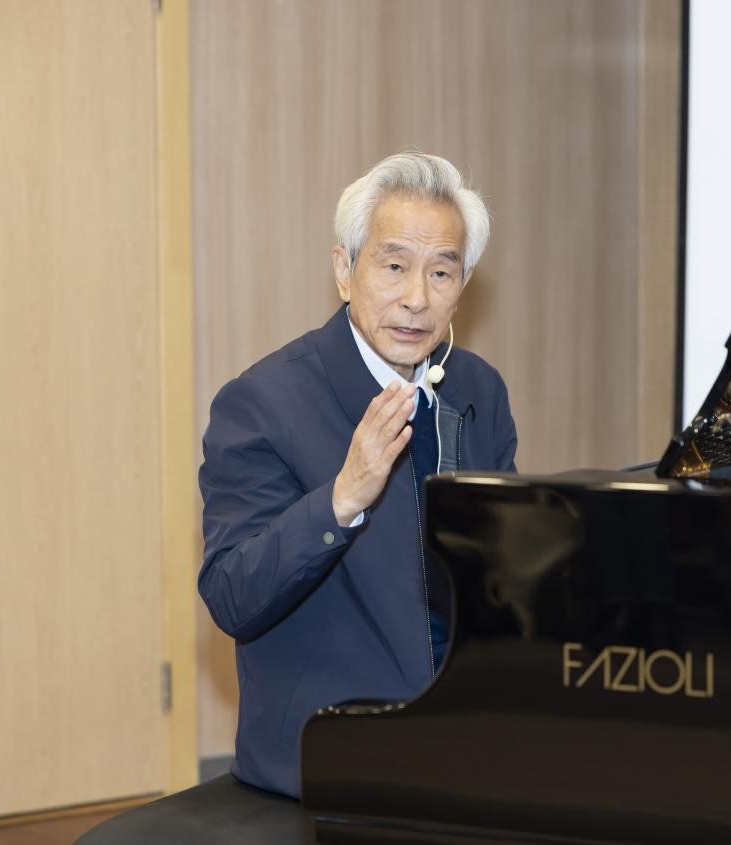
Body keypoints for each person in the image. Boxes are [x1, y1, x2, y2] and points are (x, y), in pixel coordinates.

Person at [197, 152, 518, 798]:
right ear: (345, 270)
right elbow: (232, 595)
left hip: (466, 744)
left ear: (464, 283)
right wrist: (342, 499)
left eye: (441, 272)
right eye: (394, 266)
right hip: (329, 756)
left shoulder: (478, 389)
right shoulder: (263, 403)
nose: (417, 298)